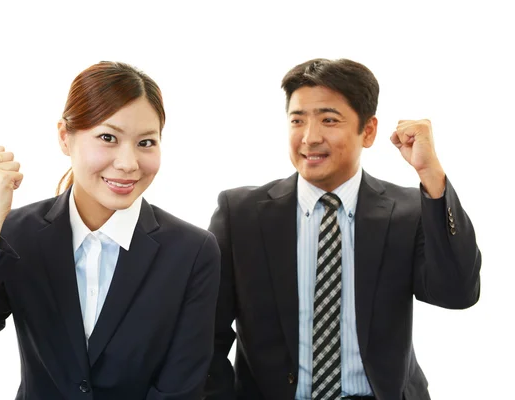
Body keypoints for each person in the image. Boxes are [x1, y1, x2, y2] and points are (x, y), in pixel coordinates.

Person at [0, 61, 221, 400]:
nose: (128, 163)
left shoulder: (191, 251)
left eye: (146, 143)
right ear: (65, 136)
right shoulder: (19, 236)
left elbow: (179, 390)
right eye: (108, 137)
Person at [203, 58, 481, 400]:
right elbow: (204, 334)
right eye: (297, 120)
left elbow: (457, 292)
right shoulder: (241, 215)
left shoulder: (407, 212)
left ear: (368, 131)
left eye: (329, 120)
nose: (309, 137)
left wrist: (432, 175)